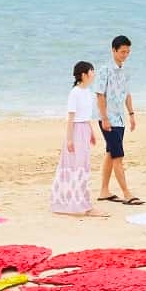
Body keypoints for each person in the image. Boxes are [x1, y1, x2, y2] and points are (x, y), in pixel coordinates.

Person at [51, 62, 108, 217]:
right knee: (76, 166)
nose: (93, 74)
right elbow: (71, 118)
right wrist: (69, 140)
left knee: (83, 166)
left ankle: (82, 203)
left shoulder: (88, 92)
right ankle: (82, 206)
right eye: (91, 71)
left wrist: (91, 132)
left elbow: (86, 116)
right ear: (84, 74)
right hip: (75, 131)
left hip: (84, 130)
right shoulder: (75, 93)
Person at [94, 34, 142, 206]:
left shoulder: (125, 71)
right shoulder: (104, 70)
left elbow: (127, 94)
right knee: (118, 156)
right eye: (122, 52)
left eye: (128, 52)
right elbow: (99, 95)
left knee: (110, 153)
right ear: (113, 50)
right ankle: (127, 194)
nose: (125, 55)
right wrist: (104, 118)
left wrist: (131, 114)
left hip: (120, 119)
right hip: (108, 119)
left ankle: (104, 191)